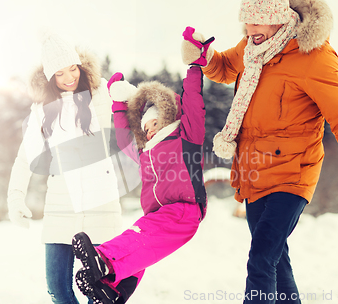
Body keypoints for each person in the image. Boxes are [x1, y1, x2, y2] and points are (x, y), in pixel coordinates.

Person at [183, 0, 338, 303]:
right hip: (254, 173)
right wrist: (204, 56)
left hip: (293, 175)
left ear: (280, 19)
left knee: (261, 259)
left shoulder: (315, 57)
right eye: (246, 20)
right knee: (277, 262)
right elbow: (226, 68)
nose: (249, 28)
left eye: (258, 21)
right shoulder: (253, 47)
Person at [69, 29, 213, 304]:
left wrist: (195, 67)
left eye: (153, 124)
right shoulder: (146, 152)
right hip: (160, 214)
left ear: (167, 118)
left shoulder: (186, 137)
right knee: (141, 248)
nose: (148, 132)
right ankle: (114, 290)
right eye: (145, 127)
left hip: (184, 210)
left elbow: (194, 104)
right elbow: (125, 141)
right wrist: (119, 106)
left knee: (139, 238)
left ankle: (103, 260)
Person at [6, 33, 122, 304]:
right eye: (60, 73)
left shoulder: (102, 92)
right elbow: (24, 158)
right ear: (50, 78)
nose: (70, 77)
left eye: (73, 68)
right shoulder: (42, 110)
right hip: (60, 209)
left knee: (103, 291)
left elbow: (135, 116)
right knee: (57, 288)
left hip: (101, 207)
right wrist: (15, 198)